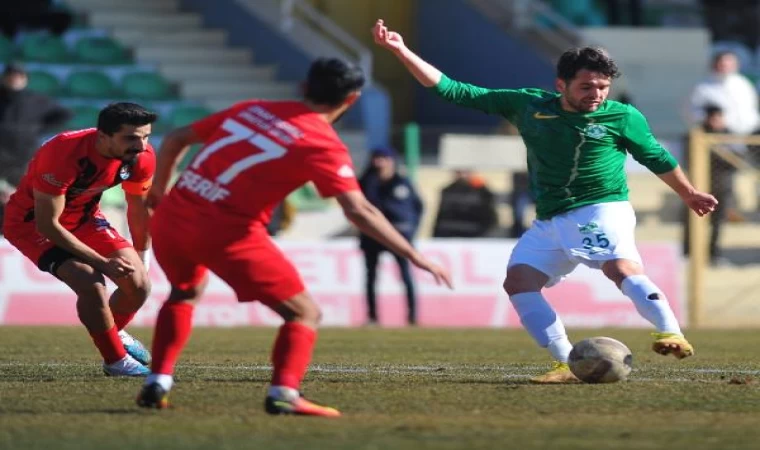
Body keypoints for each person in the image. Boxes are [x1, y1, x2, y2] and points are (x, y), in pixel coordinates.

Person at [373, 20, 718, 383]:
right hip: (551, 218)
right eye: (586, 87)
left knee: (618, 268)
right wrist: (401, 50)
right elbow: (455, 91)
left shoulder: (622, 116)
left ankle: (670, 331)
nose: (596, 95)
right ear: (561, 85)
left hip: (601, 207)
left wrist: (688, 192)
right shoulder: (528, 105)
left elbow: (657, 158)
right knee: (519, 282)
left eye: (603, 87)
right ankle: (567, 363)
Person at [136, 57, 452, 416]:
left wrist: (159, 192)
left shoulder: (252, 109)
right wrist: (414, 254)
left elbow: (177, 138)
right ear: (351, 100)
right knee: (304, 313)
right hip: (227, 232)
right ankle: (285, 393)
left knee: (184, 293)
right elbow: (359, 210)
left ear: (304, 88)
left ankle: (157, 381)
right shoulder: (323, 144)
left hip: (174, 217)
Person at [2, 102, 156, 376]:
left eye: (145, 136)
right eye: (131, 138)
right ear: (103, 136)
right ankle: (116, 361)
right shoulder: (62, 152)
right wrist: (103, 263)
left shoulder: (142, 157)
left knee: (140, 285)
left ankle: (112, 331)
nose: (141, 145)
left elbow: (138, 207)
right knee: (91, 282)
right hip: (32, 226)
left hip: (84, 220)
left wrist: (142, 257)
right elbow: (47, 224)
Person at [0, 63, 72, 234]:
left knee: (24, 194)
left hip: (23, 154)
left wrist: (39, 129)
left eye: (19, 76)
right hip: (0, 153)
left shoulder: (36, 99)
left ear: (25, 79)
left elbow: (64, 114)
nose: (14, 80)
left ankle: (21, 229)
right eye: (11, 76)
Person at [359, 146, 423, 326]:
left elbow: (418, 207)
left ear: (392, 161)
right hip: (372, 235)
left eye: (383, 158)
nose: (379, 162)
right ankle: (372, 317)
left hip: (399, 235)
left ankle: (412, 317)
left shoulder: (402, 182)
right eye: (376, 158)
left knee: (405, 275)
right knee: (371, 277)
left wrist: (410, 229)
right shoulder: (365, 182)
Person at [683, 105, 740, 266]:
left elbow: (736, 159)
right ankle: (688, 253)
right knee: (692, 222)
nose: (716, 121)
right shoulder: (698, 134)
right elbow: (690, 159)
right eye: (713, 118)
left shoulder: (728, 135)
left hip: (723, 185)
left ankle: (713, 254)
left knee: (718, 222)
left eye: (719, 117)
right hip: (699, 187)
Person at [687, 51, 759, 136]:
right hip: (718, 136)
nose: (725, 66)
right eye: (722, 64)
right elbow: (692, 111)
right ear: (714, 65)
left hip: (748, 136)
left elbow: (751, 109)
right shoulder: (702, 87)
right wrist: (708, 119)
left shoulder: (743, 84)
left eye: (729, 64)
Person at [432, 169, 497, 238]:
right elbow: (441, 217)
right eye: (459, 171)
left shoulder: (481, 191)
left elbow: (489, 217)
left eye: (465, 171)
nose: (462, 175)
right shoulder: (448, 191)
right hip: (449, 235)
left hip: (475, 235)